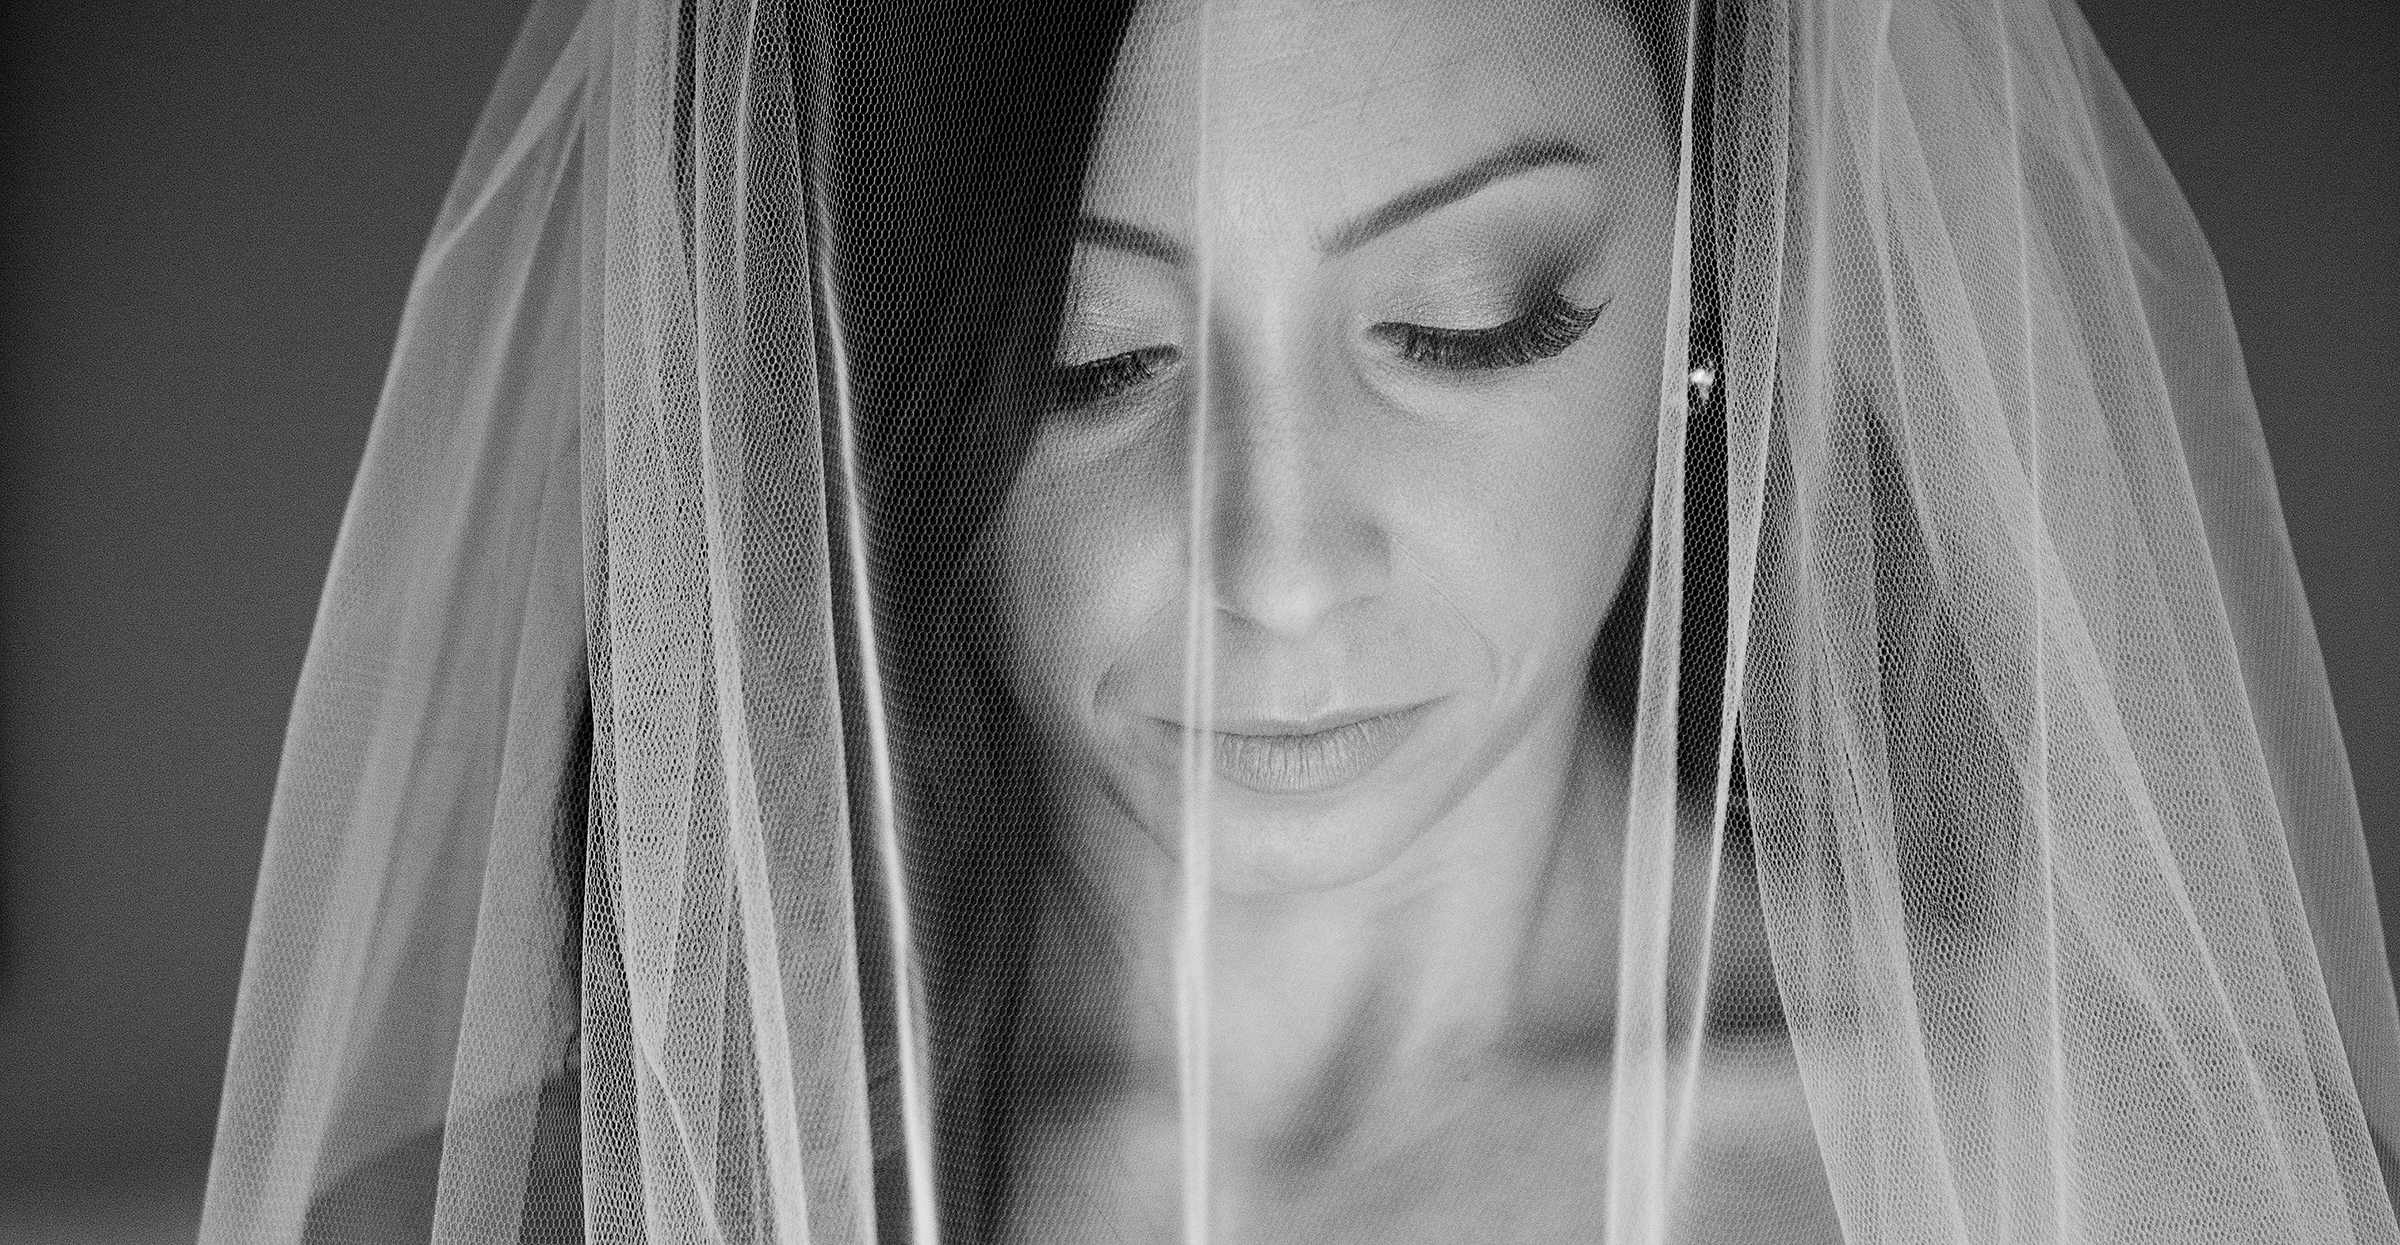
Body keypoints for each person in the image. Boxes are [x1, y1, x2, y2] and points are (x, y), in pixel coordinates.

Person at [199, 0, 2400, 1241]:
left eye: (1467, 323)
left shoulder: (2130, 1185)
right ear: (870, 396)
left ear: (1712, 277)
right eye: (1084, 360)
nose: (1275, 558)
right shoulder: (515, 1222)